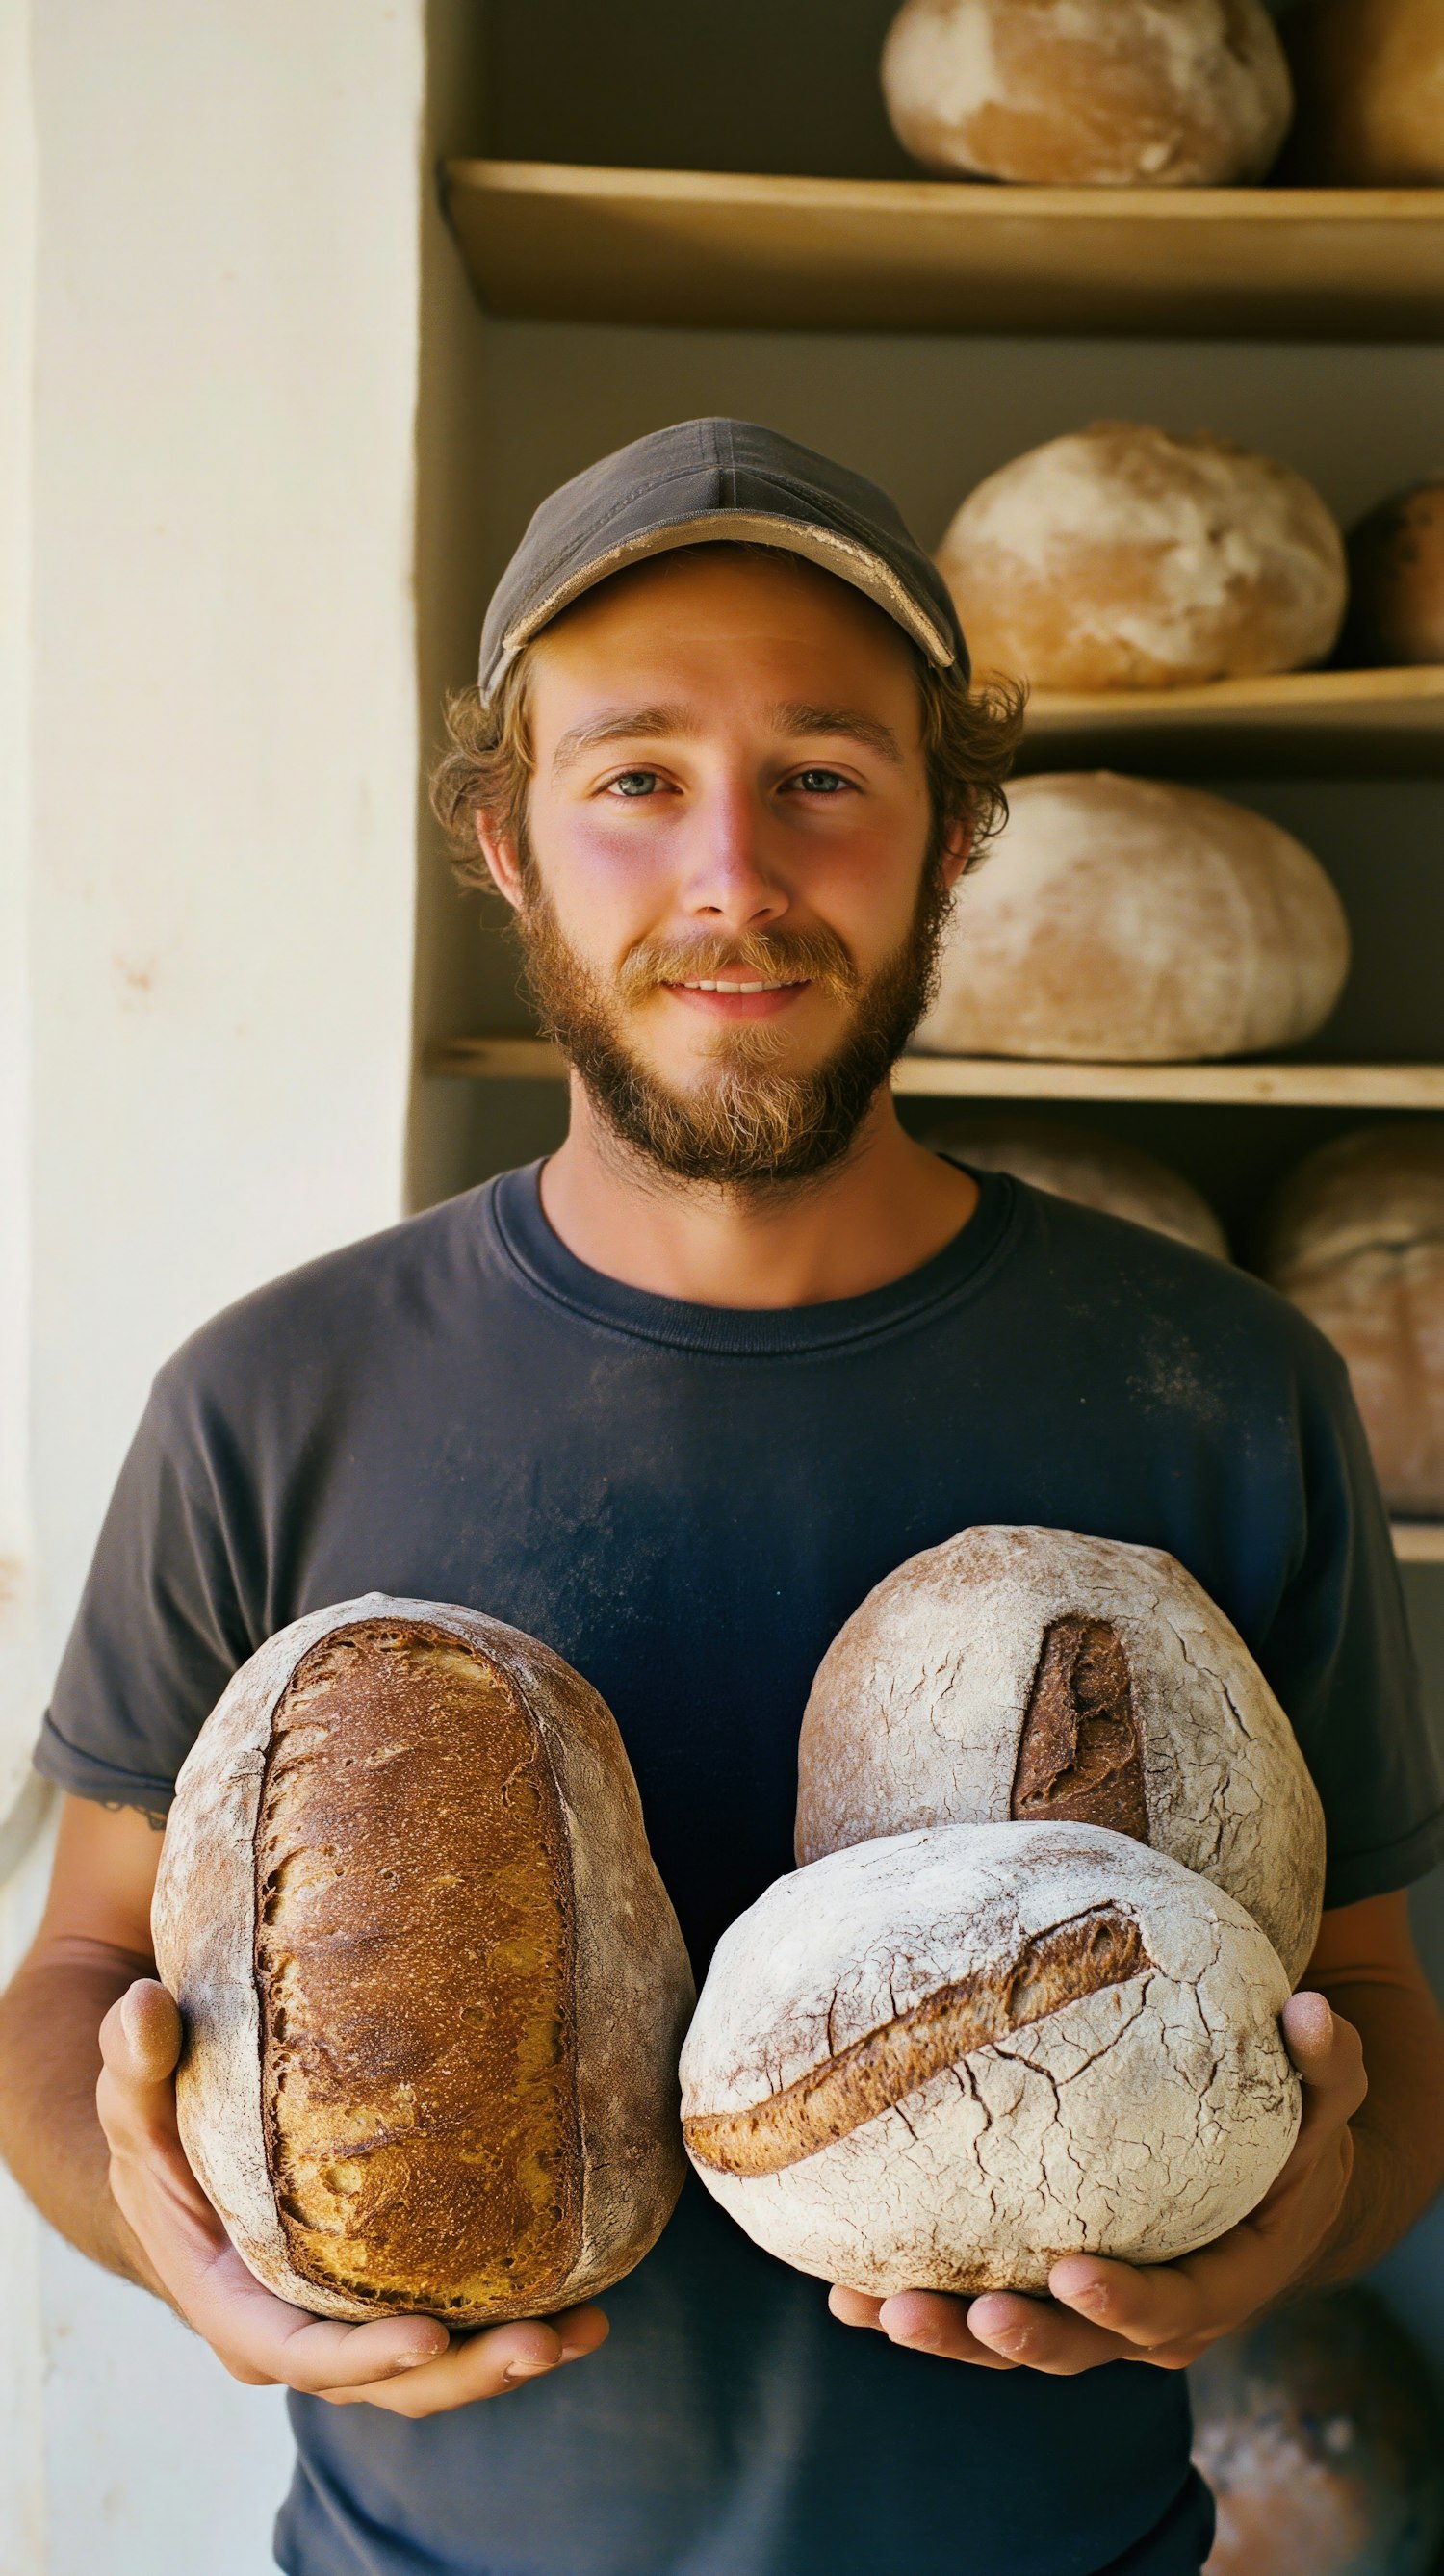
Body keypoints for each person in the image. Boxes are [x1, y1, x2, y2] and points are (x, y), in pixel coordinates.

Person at [2, 416, 1443, 2576]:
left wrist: (1297, 2218)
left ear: (957, 831)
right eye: (637, 779)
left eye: (827, 778)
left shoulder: (1219, 1387)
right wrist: (174, 2248)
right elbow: (76, 1981)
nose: (736, 880)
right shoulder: (272, 1398)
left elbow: (1381, 2017)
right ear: (507, 841)